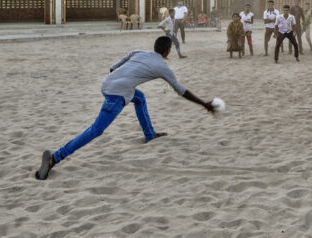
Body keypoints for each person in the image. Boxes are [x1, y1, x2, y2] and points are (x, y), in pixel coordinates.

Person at [34, 36, 223, 180]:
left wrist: (124, 81)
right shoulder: (162, 66)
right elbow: (181, 91)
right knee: (96, 130)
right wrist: (204, 105)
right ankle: (55, 158)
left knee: (139, 98)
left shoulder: (138, 52)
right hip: (116, 94)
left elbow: (113, 68)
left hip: (108, 83)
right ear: (167, 51)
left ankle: (150, 134)